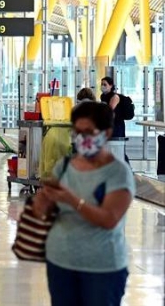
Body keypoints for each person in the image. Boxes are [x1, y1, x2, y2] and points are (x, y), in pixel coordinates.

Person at [33, 101, 135, 306]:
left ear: (106, 133)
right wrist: (43, 200)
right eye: (77, 131)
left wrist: (72, 200)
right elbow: (41, 211)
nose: (81, 138)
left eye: (88, 132)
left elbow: (109, 219)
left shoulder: (118, 172)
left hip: (102, 268)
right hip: (61, 262)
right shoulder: (64, 166)